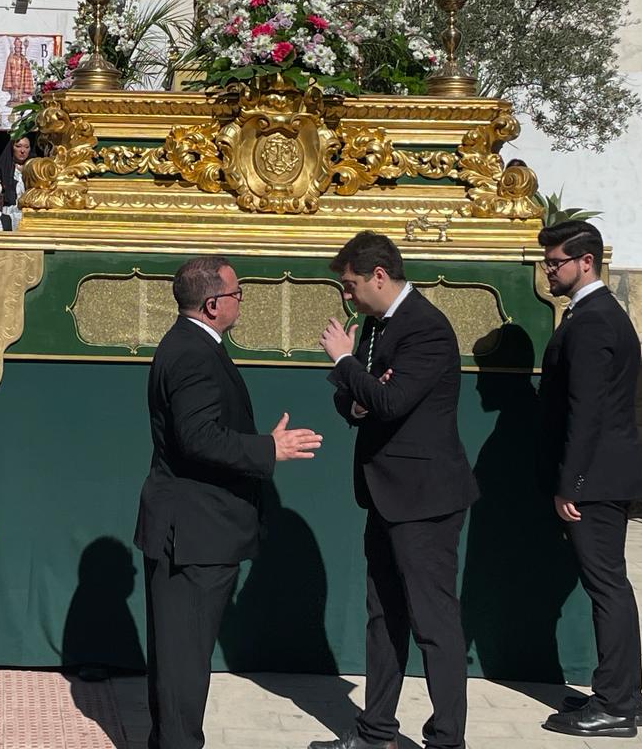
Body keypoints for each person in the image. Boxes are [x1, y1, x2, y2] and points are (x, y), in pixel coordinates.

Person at [134, 256, 321, 749]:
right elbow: (197, 438)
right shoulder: (192, 352)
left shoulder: (192, 345)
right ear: (213, 304)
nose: (241, 302)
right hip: (195, 535)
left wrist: (259, 444)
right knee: (183, 668)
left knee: (181, 662)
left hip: (197, 530)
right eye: (237, 294)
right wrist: (267, 449)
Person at [312, 232, 477, 749]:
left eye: (351, 284)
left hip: (425, 499)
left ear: (379, 275)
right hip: (384, 493)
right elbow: (359, 399)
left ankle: (447, 739)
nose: (347, 296)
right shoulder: (377, 326)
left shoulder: (425, 328)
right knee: (382, 616)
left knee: (433, 623)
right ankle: (376, 730)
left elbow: (390, 398)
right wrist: (357, 394)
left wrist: (345, 363)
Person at [536, 220, 642, 737]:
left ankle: (619, 704)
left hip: (596, 479)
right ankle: (622, 695)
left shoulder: (592, 322)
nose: (549, 271)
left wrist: (571, 483)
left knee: (607, 588)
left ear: (586, 261)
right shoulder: (598, 315)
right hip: (602, 474)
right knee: (608, 585)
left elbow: (586, 412)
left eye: (556, 262)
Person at [0, 135, 34, 226]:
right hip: (9, 213)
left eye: (26, 147)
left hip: (30, 214)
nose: (22, 150)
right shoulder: (3, 170)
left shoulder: (35, 171)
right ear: (12, 148)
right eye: (18, 146)